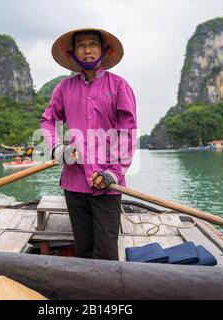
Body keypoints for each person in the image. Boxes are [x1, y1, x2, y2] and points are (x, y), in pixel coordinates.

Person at [40, 28, 137, 260]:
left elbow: (128, 132)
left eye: (92, 44)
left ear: (103, 50)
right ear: (73, 53)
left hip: (108, 184)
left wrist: (113, 173)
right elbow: (48, 120)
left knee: (106, 252)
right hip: (74, 183)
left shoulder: (119, 86)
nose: (87, 50)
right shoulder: (64, 88)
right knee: (82, 249)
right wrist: (57, 148)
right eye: (81, 45)